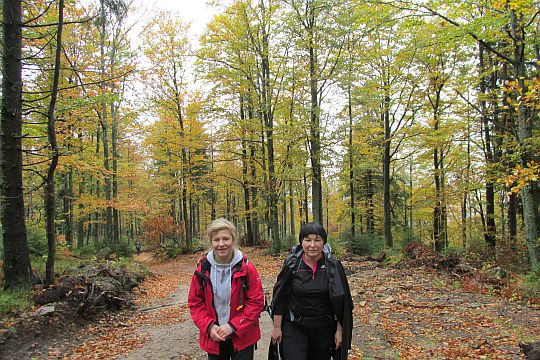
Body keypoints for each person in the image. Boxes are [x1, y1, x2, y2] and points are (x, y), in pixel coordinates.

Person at [270, 222, 353, 360]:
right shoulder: (292, 264)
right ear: (301, 242)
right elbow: (281, 296)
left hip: (323, 327)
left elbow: (342, 302)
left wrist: (340, 331)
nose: (312, 245)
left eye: (317, 240)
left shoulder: (333, 266)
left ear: (324, 243)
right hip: (295, 324)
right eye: (308, 240)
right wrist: (277, 327)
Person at [188, 218, 265, 360]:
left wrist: (232, 327)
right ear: (211, 242)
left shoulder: (247, 268)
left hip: (243, 336)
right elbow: (195, 303)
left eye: (226, 239)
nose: (221, 244)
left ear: (233, 240)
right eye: (216, 240)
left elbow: (256, 303)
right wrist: (209, 327)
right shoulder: (202, 270)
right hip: (214, 337)